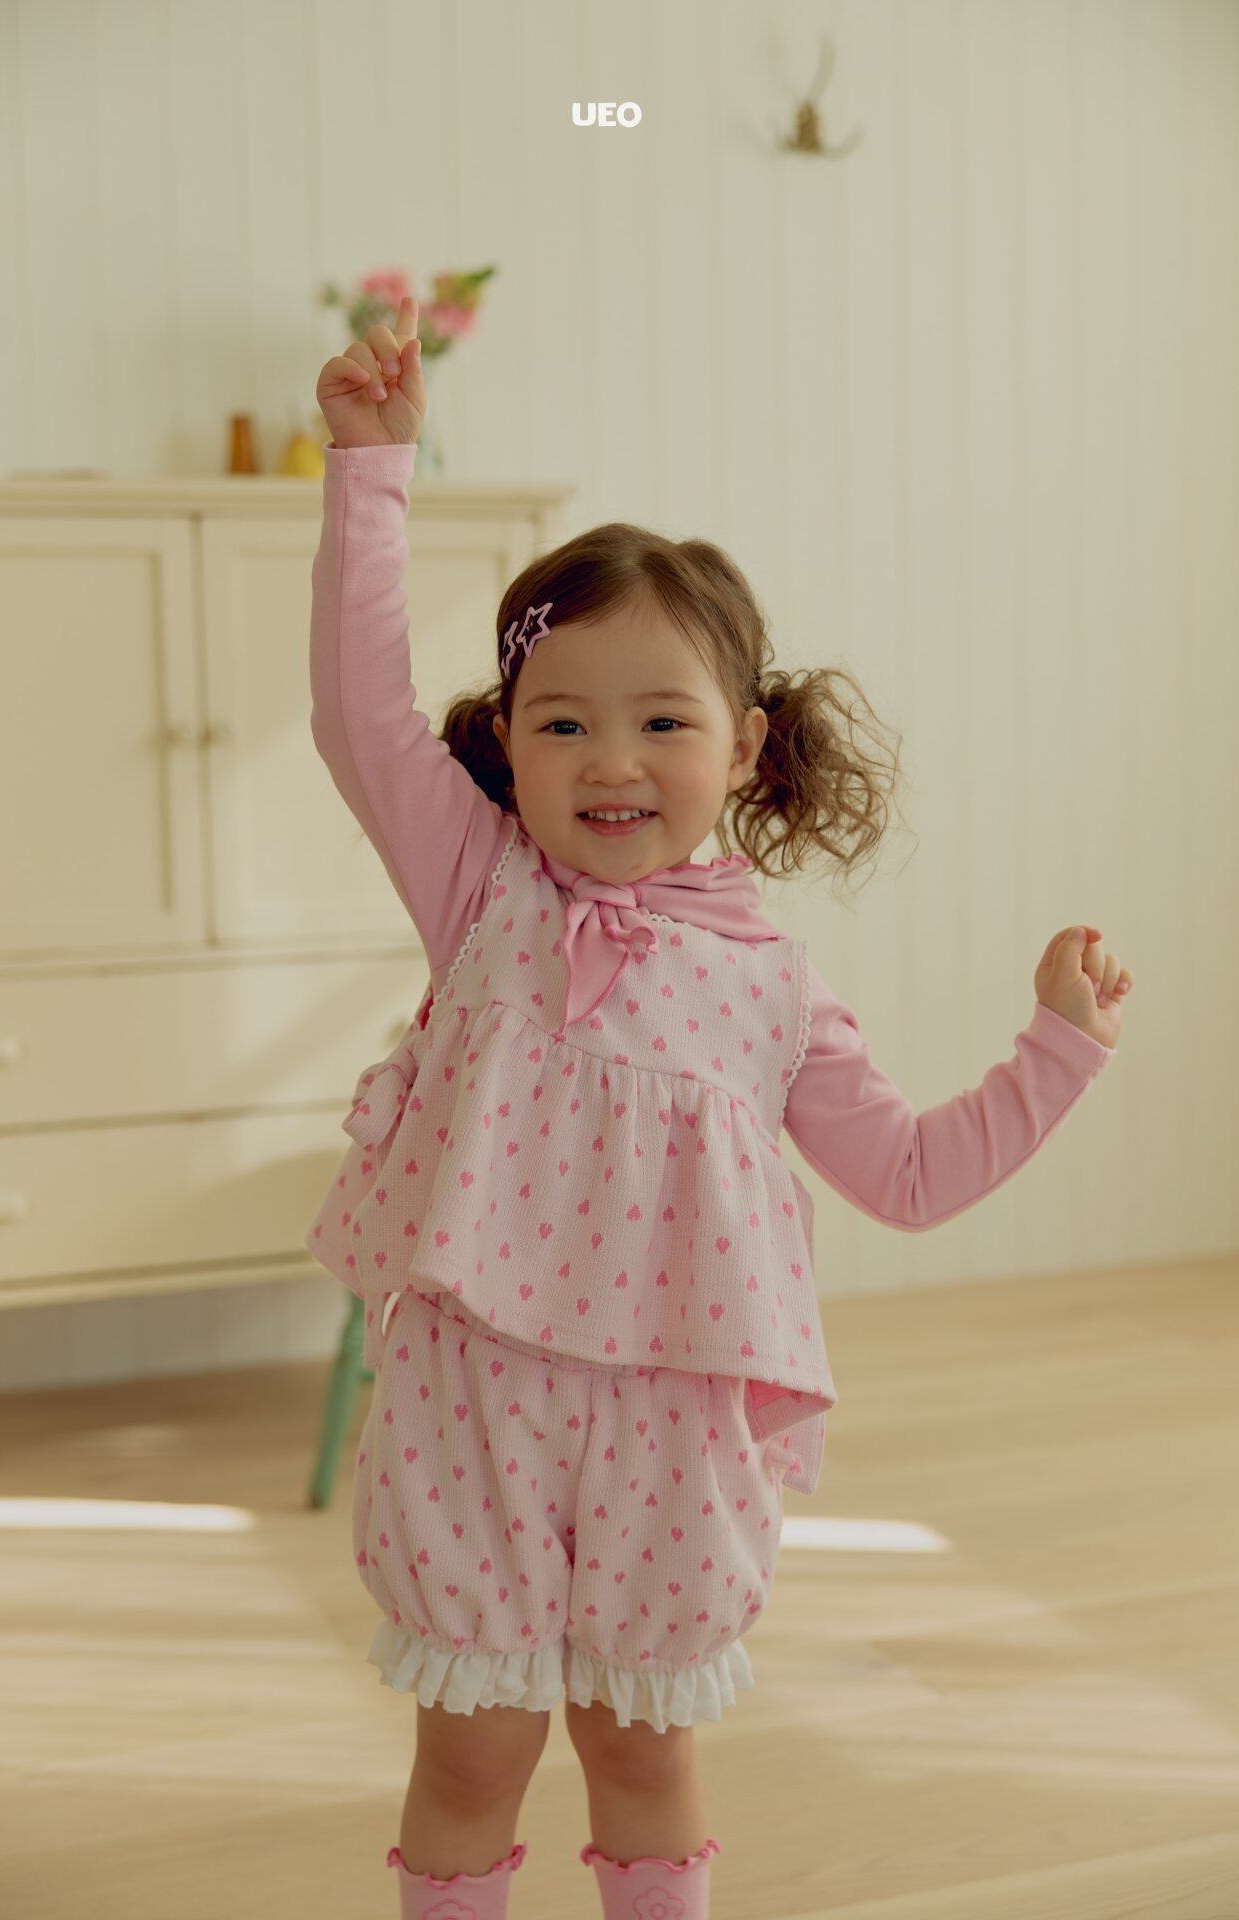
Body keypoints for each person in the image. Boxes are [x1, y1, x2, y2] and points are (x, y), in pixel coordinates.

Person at [304, 298, 1134, 1920]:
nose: (611, 759)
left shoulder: (774, 988)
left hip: (672, 1431)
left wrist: (1057, 1047)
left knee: (642, 1750)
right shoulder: (479, 886)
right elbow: (355, 708)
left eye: (663, 721)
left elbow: (909, 1174)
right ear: (509, 746)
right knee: (471, 1754)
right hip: (476, 1398)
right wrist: (372, 472)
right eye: (563, 722)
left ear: (744, 748)